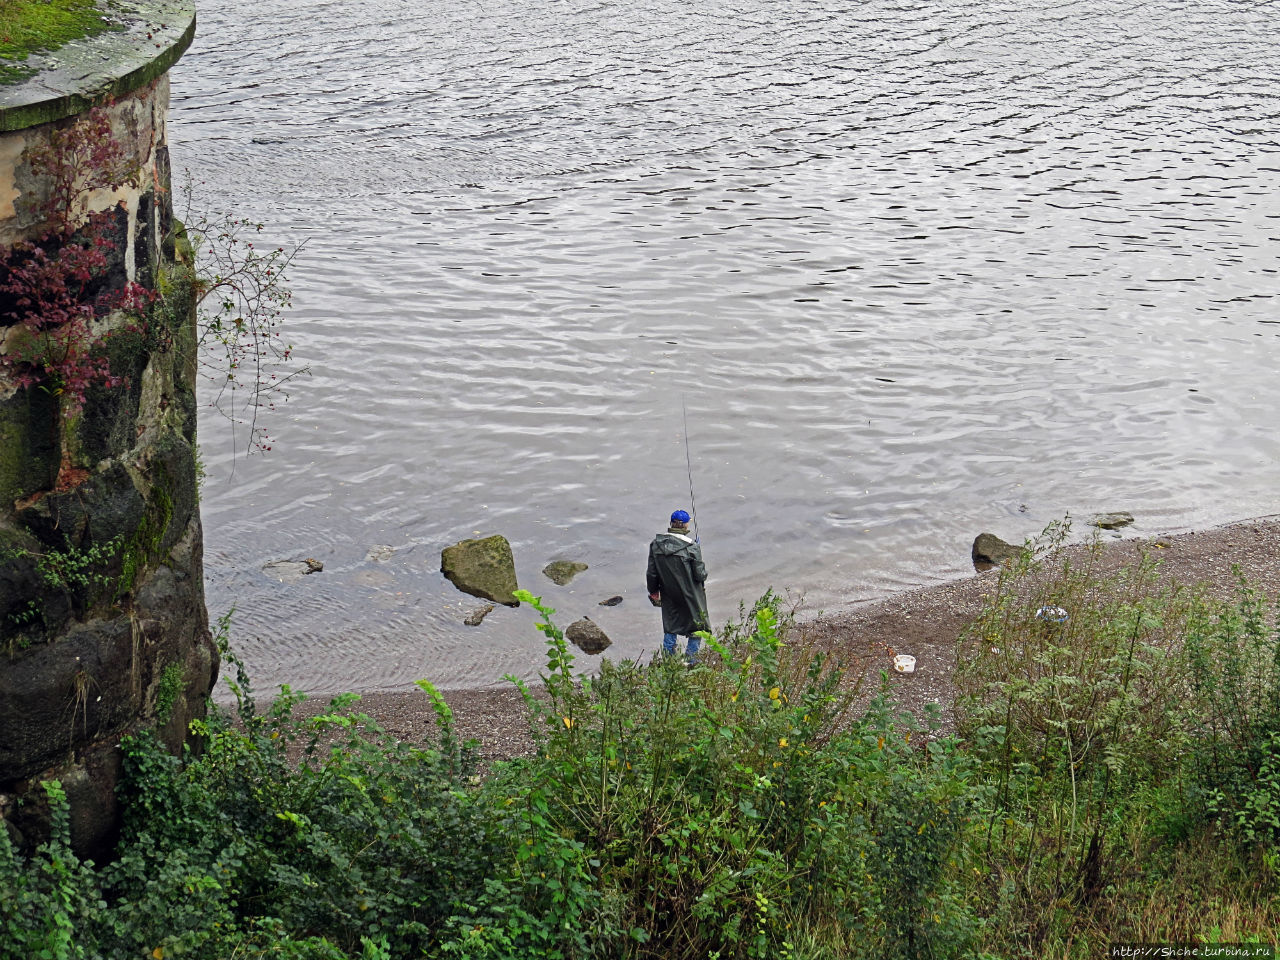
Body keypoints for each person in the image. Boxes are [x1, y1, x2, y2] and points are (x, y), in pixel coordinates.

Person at [646, 509, 709, 663]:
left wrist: (653, 591)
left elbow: (652, 573)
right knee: (697, 625)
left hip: (668, 593)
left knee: (670, 624)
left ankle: (668, 661)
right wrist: (698, 552)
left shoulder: (656, 544)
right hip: (691, 594)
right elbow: (700, 575)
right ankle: (691, 660)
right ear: (686, 526)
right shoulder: (692, 547)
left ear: (671, 524)